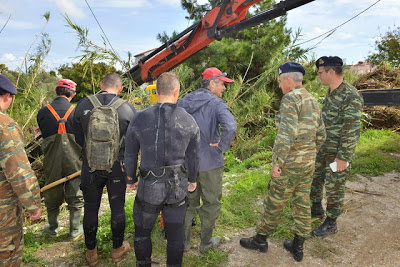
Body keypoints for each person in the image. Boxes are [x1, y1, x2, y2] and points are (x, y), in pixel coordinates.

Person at [240, 62, 326, 262]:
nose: (280, 86)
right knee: (302, 201)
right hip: (308, 163)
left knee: (275, 201)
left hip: (289, 163)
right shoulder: (313, 100)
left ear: (288, 79)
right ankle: (298, 245)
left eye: (280, 81)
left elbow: (287, 134)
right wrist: (309, 153)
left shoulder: (290, 99)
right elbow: (321, 135)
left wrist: (277, 162)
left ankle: (260, 240)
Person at [125, 72, 200, 267]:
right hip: (178, 187)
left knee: (142, 232)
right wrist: (192, 179)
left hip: (149, 186)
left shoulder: (140, 118)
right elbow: (193, 156)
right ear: (177, 92)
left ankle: (144, 264)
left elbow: (130, 153)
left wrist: (130, 179)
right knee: (175, 235)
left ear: (157, 91)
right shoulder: (189, 120)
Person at [72, 73, 136, 266]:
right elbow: (133, 142)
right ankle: (117, 249)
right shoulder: (127, 108)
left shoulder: (83, 104)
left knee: (91, 208)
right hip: (117, 166)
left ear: (101, 85)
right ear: (121, 88)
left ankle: (91, 253)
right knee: (117, 207)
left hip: (90, 166)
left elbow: (76, 137)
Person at [178, 67, 237, 252]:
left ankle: (184, 243)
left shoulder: (183, 101)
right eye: (222, 84)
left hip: (185, 163)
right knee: (211, 203)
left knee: (188, 203)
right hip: (210, 163)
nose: (224, 89)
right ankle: (205, 243)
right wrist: (221, 146)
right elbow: (231, 126)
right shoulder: (216, 103)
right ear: (212, 83)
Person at [310, 56, 363, 237]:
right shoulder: (332, 92)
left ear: (331, 72)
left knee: (334, 186)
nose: (319, 76)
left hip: (337, 152)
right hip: (324, 148)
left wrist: (343, 157)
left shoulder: (350, 95)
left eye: (320, 73)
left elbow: (352, 129)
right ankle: (316, 207)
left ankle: (331, 222)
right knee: (316, 177)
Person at [0, 74, 42, 266]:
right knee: (7, 253)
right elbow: (18, 171)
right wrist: (33, 204)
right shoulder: (4, 126)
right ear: (7, 97)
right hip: (3, 209)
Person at [37, 79, 84, 240]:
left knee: (51, 190)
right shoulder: (77, 112)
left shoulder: (42, 113)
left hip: (52, 160)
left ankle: (52, 227)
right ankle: (75, 230)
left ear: (56, 91)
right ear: (73, 94)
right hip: (75, 160)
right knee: (76, 192)